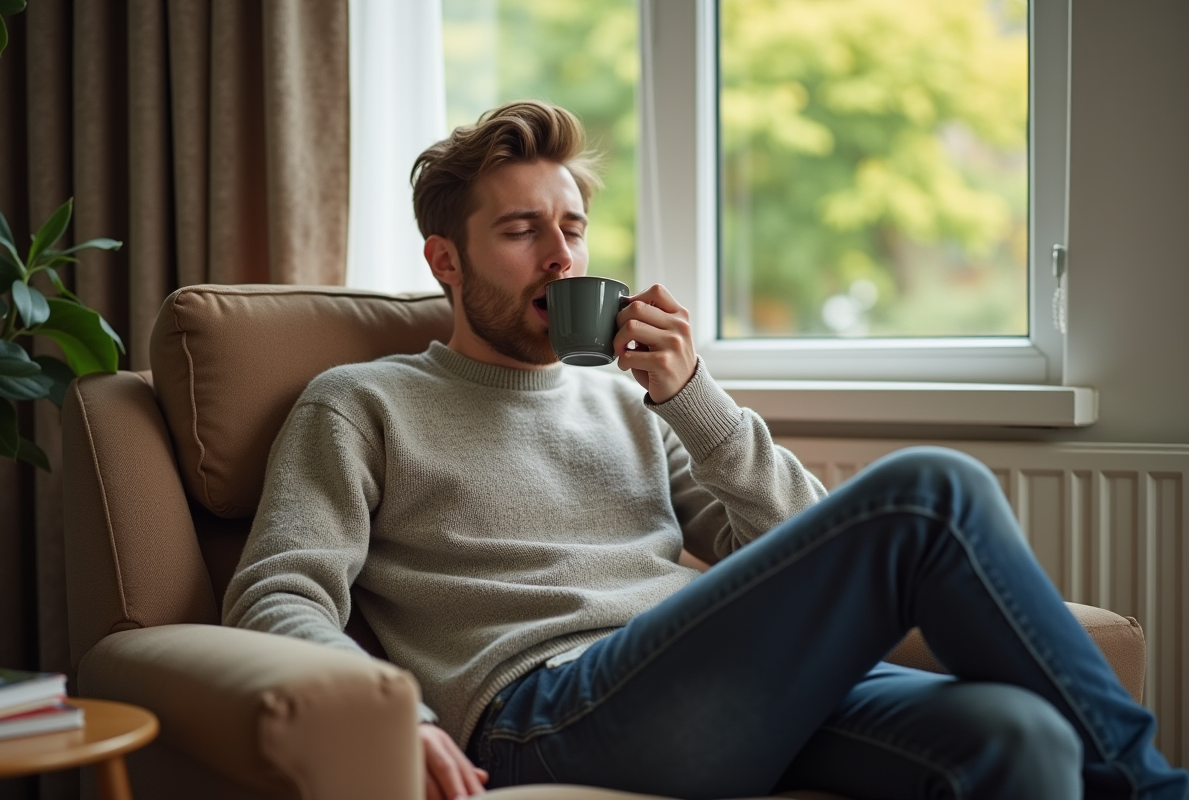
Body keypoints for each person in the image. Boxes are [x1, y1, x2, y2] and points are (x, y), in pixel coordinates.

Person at [222, 100, 1188, 800]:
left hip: (707, 689)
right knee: (929, 490)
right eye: (521, 232)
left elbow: (802, 545)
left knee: (1017, 738)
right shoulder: (363, 403)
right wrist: (399, 714)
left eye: (572, 227)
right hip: (547, 711)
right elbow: (277, 595)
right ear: (445, 260)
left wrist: (692, 398)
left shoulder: (630, 402)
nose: (562, 258)